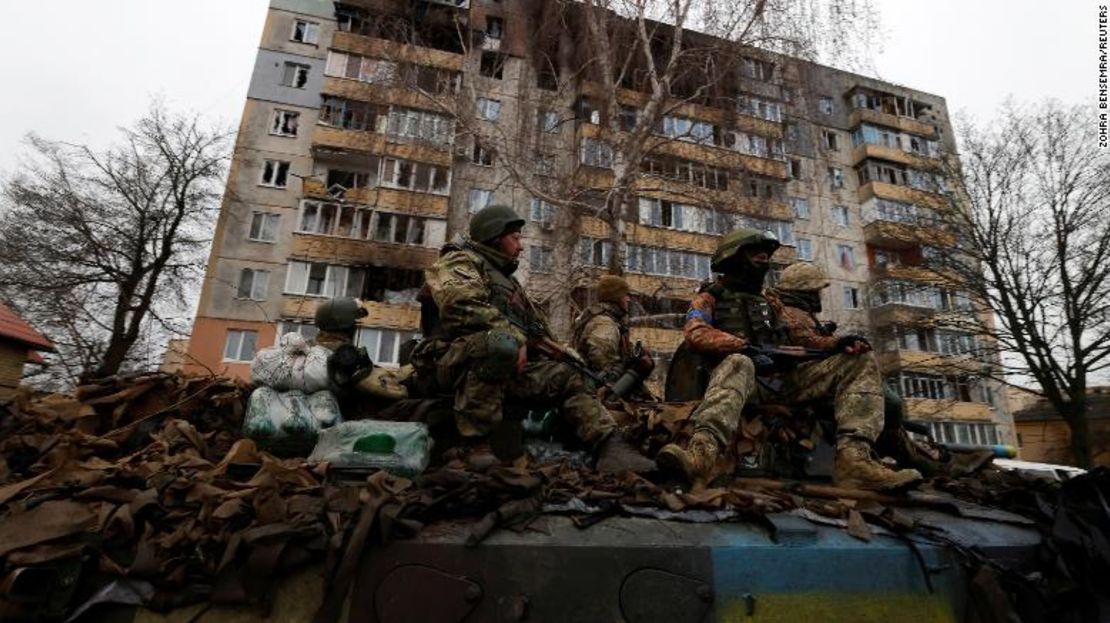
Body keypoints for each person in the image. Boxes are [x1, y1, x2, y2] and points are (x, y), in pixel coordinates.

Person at [656, 230, 922, 490]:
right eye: (757, 256)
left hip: (781, 383)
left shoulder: (770, 301)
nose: (763, 262)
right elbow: (696, 333)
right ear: (734, 258)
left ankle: (854, 461)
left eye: (765, 257)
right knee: (739, 362)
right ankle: (701, 455)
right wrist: (744, 348)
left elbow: (801, 337)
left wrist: (837, 343)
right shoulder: (708, 298)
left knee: (858, 361)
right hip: (737, 384)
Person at [410, 205, 653, 472]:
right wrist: (516, 338)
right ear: (494, 237)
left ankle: (609, 446)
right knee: (500, 344)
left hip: (497, 367)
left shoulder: (506, 281)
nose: (521, 245)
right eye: (515, 237)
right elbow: (460, 305)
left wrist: (567, 357)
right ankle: (475, 445)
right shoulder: (459, 261)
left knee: (567, 373)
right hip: (447, 362)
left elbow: (537, 330)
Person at [571, 275, 655, 402]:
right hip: (599, 391)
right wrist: (634, 364)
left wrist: (637, 351)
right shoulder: (605, 323)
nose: (628, 299)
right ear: (616, 297)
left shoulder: (604, 319)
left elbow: (620, 351)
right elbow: (603, 366)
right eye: (626, 295)